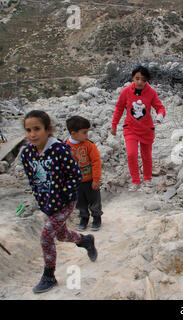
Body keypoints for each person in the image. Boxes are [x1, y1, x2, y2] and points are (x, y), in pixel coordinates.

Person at [21, 110, 98, 294]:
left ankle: (49, 276)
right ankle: (85, 241)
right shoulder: (27, 154)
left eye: (37, 129)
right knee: (61, 234)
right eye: (28, 130)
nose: (32, 134)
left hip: (65, 202)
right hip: (47, 203)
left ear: (48, 129)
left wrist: (63, 196)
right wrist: (42, 199)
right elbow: (33, 179)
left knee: (46, 236)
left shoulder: (59, 150)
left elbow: (75, 175)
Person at [110, 65, 166, 191]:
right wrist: (114, 125)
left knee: (146, 156)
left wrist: (160, 116)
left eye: (143, 79)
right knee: (131, 154)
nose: (140, 82)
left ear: (147, 81)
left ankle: (147, 178)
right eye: (137, 78)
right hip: (130, 128)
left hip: (147, 129)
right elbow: (119, 108)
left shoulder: (151, 92)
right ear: (132, 78)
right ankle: (135, 181)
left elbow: (160, 107)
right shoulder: (125, 92)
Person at [65, 115, 103, 231]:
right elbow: (64, 166)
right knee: (80, 203)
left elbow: (96, 162)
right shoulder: (65, 147)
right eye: (84, 132)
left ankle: (96, 218)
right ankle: (84, 218)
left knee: (94, 201)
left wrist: (96, 179)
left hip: (90, 181)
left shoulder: (89, 146)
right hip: (76, 182)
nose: (87, 135)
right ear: (73, 133)